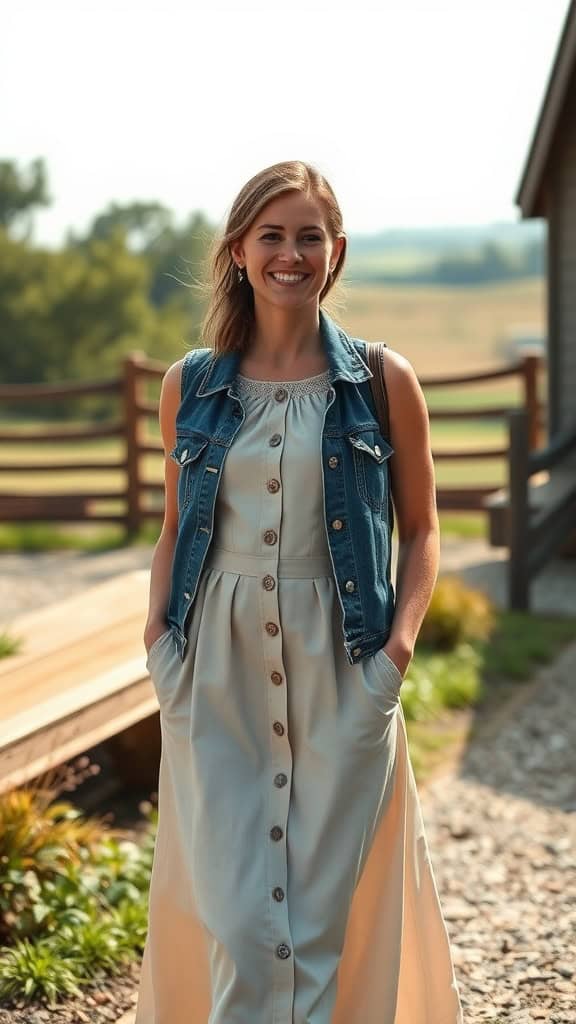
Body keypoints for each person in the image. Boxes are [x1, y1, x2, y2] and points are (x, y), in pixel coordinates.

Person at [134, 160, 463, 1024]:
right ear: (239, 251)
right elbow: (175, 528)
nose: (291, 253)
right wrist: (161, 648)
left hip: (343, 665)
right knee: (239, 922)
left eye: (308, 236)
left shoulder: (384, 382)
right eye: (272, 235)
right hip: (216, 676)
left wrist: (394, 656)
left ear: (336, 252)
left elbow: (425, 530)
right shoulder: (191, 386)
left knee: (323, 924)